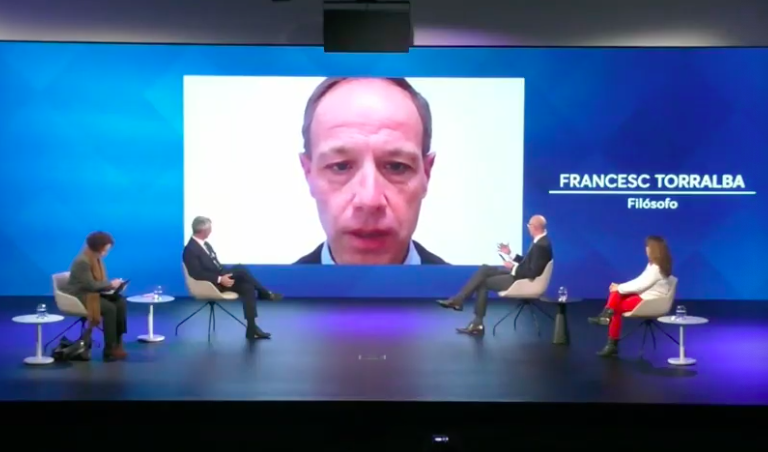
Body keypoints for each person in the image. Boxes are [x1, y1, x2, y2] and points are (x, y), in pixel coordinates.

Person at [294, 77, 447, 265]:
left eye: (397, 167)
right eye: (340, 167)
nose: (369, 200)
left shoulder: (468, 284)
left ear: (426, 174)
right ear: (308, 174)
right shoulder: (271, 285)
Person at [437, 215, 553, 335]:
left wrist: (513, 267)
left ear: (535, 227)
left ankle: (475, 321)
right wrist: (510, 253)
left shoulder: (541, 245)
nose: (528, 227)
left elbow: (533, 272)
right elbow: (528, 263)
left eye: (529, 225)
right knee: (485, 269)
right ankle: (459, 300)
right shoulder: (541, 241)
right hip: (519, 274)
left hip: (521, 280)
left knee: (483, 283)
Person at [183, 216, 282, 340]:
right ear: (203, 231)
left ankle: (252, 329)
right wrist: (220, 279)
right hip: (212, 284)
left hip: (221, 276)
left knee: (247, 287)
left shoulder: (206, 244)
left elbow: (216, 264)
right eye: (210, 228)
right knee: (240, 268)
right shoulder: (190, 250)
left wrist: (224, 275)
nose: (211, 231)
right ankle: (265, 293)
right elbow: (196, 273)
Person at [588, 235, 673, 357]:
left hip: (650, 300)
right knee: (616, 294)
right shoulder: (653, 265)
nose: (646, 249)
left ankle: (610, 337)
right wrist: (620, 286)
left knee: (615, 306)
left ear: (653, 249)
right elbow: (639, 281)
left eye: (648, 247)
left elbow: (640, 286)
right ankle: (606, 316)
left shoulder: (657, 269)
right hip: (645, 296)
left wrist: (619, 287)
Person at [63, 231, 128, 362]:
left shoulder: (96, 259)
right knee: (109, 308)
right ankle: (109, 348)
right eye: (105, 249)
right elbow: (91, 285)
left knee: (120, 302)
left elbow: (98, 283)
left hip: (93, 292)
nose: (106, 252)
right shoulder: (82, 261)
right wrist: (111, 284)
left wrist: (114, 287)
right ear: (98, 248)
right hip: (80, 295)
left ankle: (118, 342)